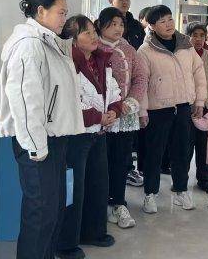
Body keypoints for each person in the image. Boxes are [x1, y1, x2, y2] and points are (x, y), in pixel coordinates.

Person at [0, 0, 86, 259]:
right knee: (41, 212)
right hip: (37, 143)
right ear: (40, 11)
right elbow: (25, 100)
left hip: (53, 138)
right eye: (61, 12)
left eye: (66, 13)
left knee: (54, 208)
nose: (64, 19)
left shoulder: (49, 42)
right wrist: (36, 146)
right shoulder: (29, 44)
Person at [57, 16, 119, 259]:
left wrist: (114, 109)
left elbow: (112, 90)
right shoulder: (67, 63)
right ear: (73, 40)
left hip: (98, 133)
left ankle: (94, 232)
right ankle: (66, 244)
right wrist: (97, 116)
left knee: (98, 184)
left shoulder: (101, 59)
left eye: (94, 31)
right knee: (74, 190)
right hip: (76, 135)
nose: (94, 37)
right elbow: (70, 101)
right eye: (87, 33)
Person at [138, 5, 207, 213]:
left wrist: (200, 101)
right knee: (154, 154)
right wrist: (142, 111)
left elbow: (198, 72)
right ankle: (150, 194)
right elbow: (141, 83)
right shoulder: (145, 50)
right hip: (158, 110)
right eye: (162, 21)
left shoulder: (186, 46)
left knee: (182, 152)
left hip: (183, 107)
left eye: (170, 19)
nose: (168, 24)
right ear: (152, 26)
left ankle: (180, 190)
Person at [96, 8, 149, 229]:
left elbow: (141, 77)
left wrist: (132, 103)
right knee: (101, 164)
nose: (118, 28)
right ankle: (100, 206)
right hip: (101, 117)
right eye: (113, 24)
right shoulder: (93, 47)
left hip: (125, 115)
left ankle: (118, 203)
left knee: (120, 162)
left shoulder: (128, 49)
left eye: (121, 24)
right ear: (101, 25)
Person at [108, 0, 146, 187]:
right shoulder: (101, 28)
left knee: (126, 144)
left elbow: (140, 69)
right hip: (106, 101)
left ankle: (127, 172)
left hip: (130, 94)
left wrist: (134, 100)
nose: (124, 2)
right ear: (110, 1)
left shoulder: (136, 27)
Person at [186, 22, 208, 191]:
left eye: (202, 36)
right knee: (186, 145)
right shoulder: (183, 55)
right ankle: (181, 180)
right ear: (189, 37)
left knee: (204, 145)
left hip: (207, 106)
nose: (198, 39)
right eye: (195, 35)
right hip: (188, 106)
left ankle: (203, 178)